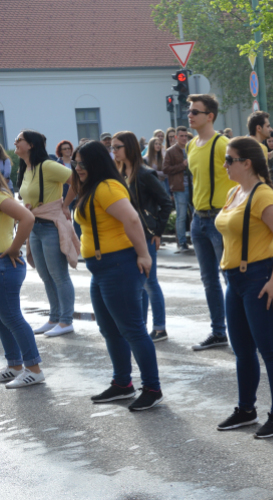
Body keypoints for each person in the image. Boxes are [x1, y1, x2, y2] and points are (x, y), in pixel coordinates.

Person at [72, 140, 163, 411]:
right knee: (110, 330)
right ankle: (122, 384)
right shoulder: (93, 188)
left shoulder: (107, 187)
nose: (77, 168)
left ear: (96, 163)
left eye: (82, 163)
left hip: (118, 266)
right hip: (101, 269)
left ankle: (152, 388)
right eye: (75, 163)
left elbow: (133, 219)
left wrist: (144, 255)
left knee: (133, 330)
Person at [215, 136, 273, 437]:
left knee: (270, 350)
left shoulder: (263, 195)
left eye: (229, 159)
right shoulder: (236, 191)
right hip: (235, 279)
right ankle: (246, 409)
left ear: (246, 163)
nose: (224, 164)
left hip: (260, 278)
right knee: (243, 350)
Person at [16, 130, 78, 337]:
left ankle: (66, 321)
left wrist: (65, 205)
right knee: (45, 276)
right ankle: (54, 318)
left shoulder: (48, 166)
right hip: (34, 227)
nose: (15, 143)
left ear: (31, 145)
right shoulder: (26, 168)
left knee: (59, 276)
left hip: (51, 225)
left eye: (19, 140)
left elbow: (76, 181)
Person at [186, 94, 237, 351]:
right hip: (198, 220)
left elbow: (240, 178)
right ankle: (219, 332)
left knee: (230, 277)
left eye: (195, 111)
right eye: (189, 111)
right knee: (209, 280)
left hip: (219, 218)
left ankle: (241, 329)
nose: (190, 115)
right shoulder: (191, 145)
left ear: (210, 116)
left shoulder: (222, 144)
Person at [113, 132, 173, 343]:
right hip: (126, 235)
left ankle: (159, 328)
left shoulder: (144, 174)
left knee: (149, 282)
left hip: (145, 234)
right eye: (112, 147)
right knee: (138, 284)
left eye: (117, 147)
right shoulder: (119, 173)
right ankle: (142, 326)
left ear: (128, 148)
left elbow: (166, 203)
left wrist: (157, 232)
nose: (114, 151)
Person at [0, 174, 45, 388]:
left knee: (12, 318)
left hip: (5, 265)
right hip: (5, 265)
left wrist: (14, 248)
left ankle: (34, 369)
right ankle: (15, 366)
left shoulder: (0, 197)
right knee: (3, 320)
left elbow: (28, 218)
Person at [163, 126, 192, 253]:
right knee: (181, 216)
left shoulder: (191, 148)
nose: (184, 138)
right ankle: (182, 242)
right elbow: (166, 169)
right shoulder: (171, 151)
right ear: (176, 137)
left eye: (186, 136)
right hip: (180, 187)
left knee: (196, 214)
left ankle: (196, 239)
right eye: (181, 136)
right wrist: (182, 166)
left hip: (194, 186)